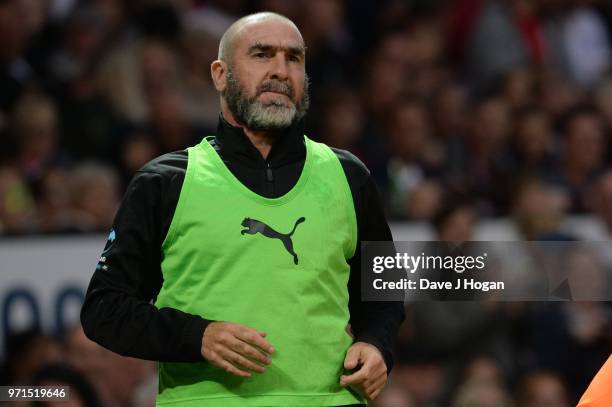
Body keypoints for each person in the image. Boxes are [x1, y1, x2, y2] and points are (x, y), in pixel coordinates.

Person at [80, 11, 404, 406]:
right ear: (220, 74)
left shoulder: (349, 176)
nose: (281, 71)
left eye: (294, 58)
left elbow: (384, 290)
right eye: (262, 54)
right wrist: (198, 336)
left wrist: (376, 345)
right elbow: (104, 310)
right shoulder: (165, 182)